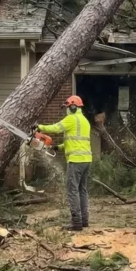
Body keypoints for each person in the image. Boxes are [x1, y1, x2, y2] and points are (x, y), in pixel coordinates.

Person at [36, 95, 92, 231]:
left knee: (72, 190)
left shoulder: (72, 119)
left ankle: (76, 222)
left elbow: (56, 128)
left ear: (73, 107)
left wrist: (39, 127)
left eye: (67, 107)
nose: (66, 110)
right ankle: (84, 220)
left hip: (76, 160)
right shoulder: (85, 121)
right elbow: (77, 141)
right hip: (86, 160)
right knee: (82, 190)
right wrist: (59, 147)